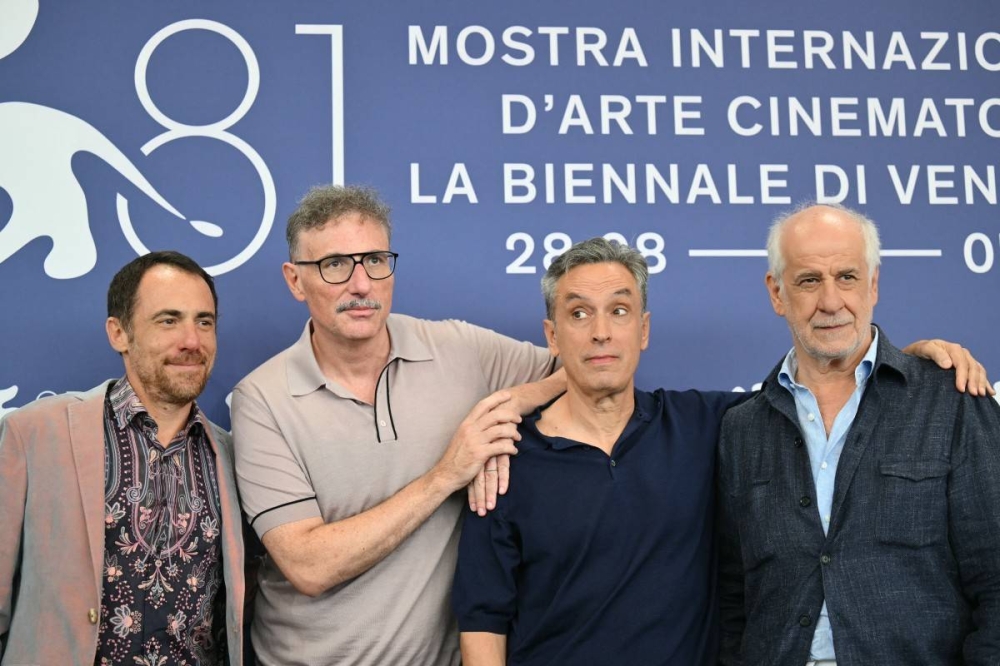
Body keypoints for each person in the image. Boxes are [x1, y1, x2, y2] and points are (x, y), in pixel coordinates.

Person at [230, 185, 562, 666]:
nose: (361, 284)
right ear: (295, 281)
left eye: (376, 261)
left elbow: (584, 370)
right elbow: (308, 565)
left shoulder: (458, 349)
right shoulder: (261, 398)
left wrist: (501, 408)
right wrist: (447, 473)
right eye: (336, 265)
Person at [717, 203, 1000, 665]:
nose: (831, 302)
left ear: (873, 284)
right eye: (809, 280)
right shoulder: (740, 429)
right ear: (776, 292)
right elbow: (733, 600)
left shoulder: (952, 402)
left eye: (847, 277)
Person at [452, 238, 745, 665]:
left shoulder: (705, 424)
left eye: (619, 311)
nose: (601, 331)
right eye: (579, 313)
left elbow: (811, 393)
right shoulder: (505, 465)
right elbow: (483, 621)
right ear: (552, 335)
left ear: (643, 330)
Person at [0, 251, 246, 666]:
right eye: (168, 320)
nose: (192, 340)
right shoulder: (35, 433)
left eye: (204, 321)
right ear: (119, 333)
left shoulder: (233, 455)